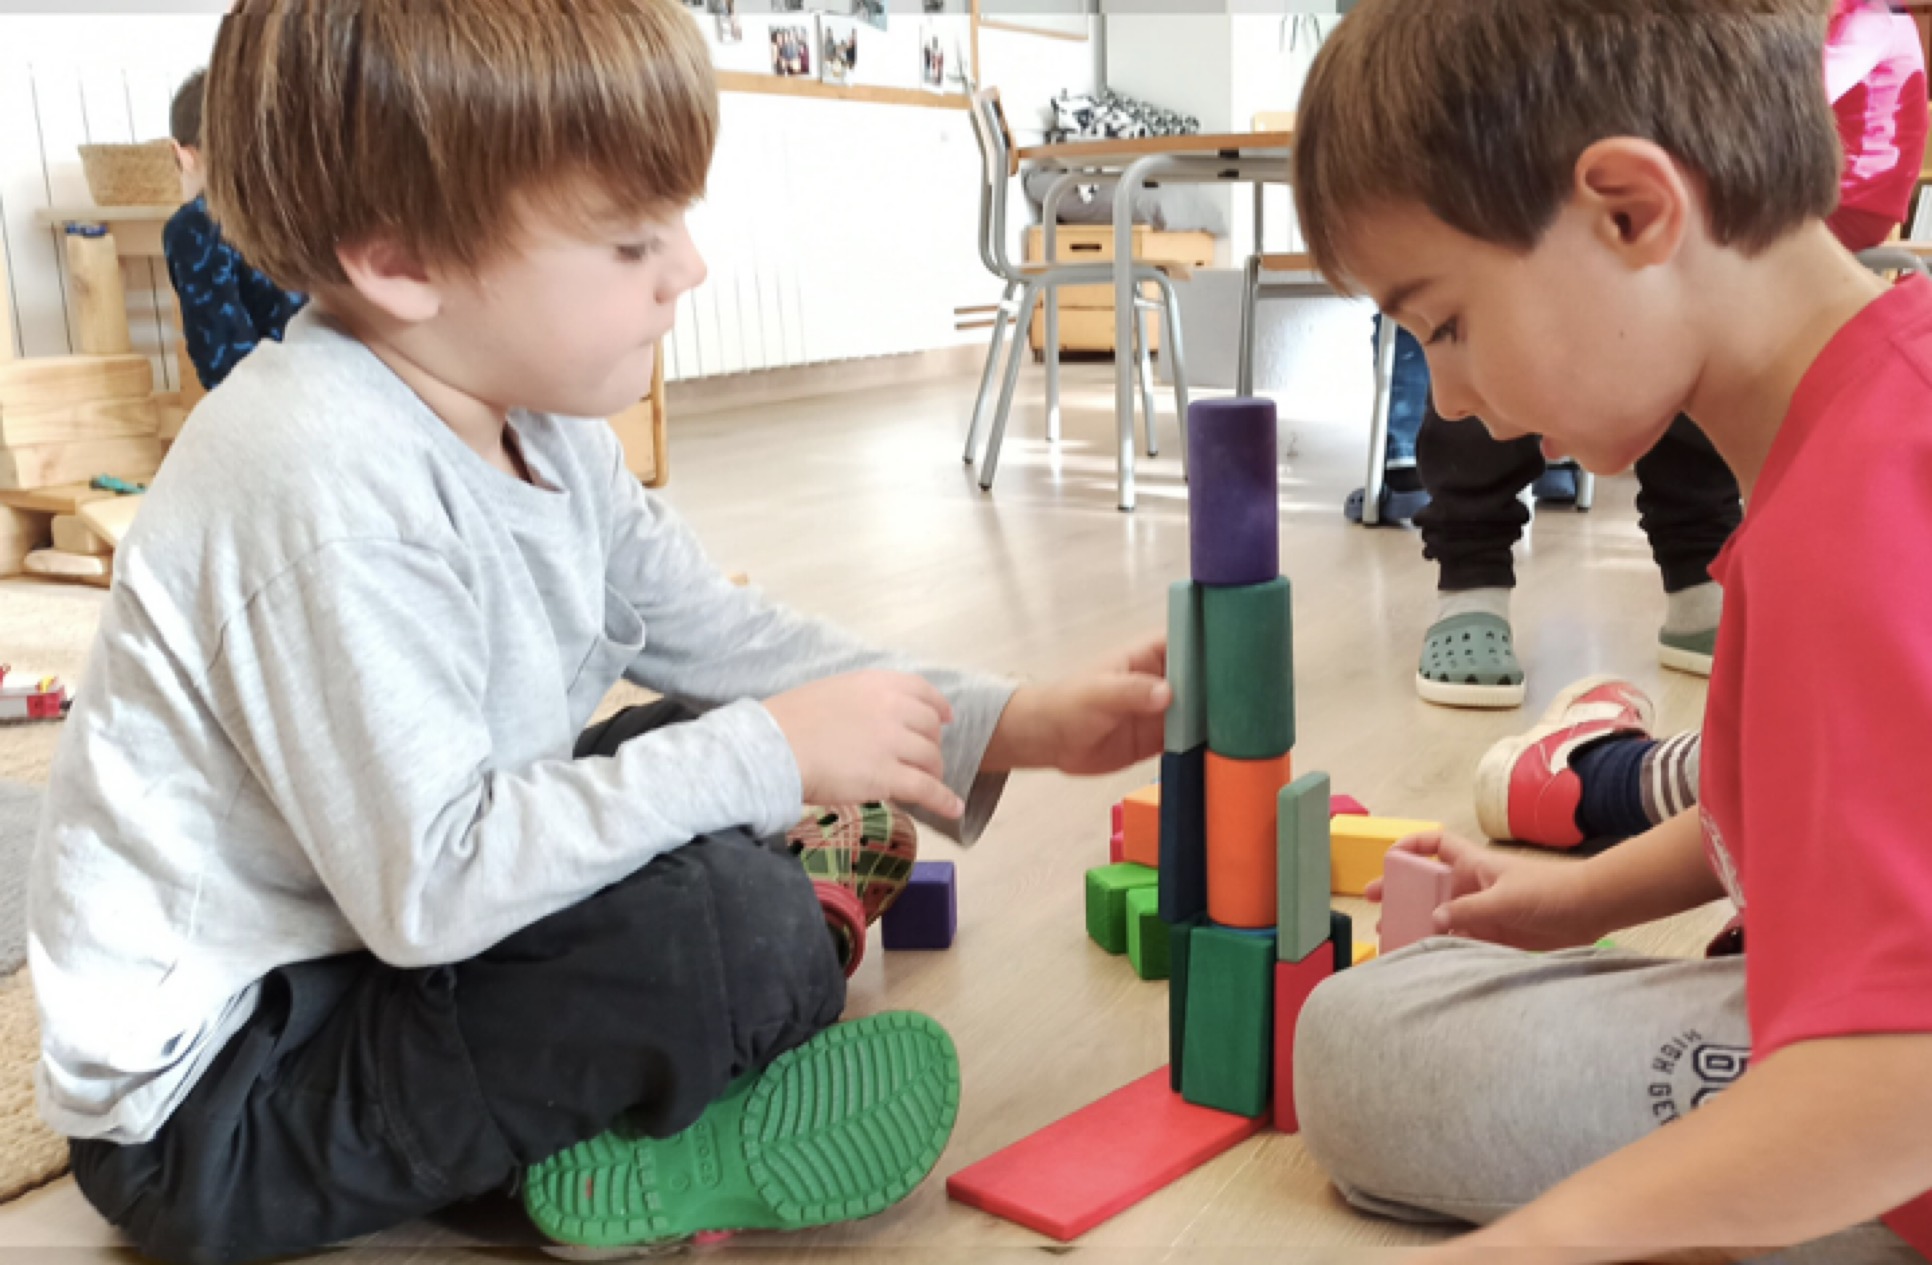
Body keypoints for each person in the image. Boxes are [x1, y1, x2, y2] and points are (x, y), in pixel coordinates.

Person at [30, 4, 1174, 1262]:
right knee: (728, 923)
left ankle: (639, 1054)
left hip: (377, 939)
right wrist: (766, 755)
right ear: (402, 259)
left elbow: (720, 634)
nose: (689, 267)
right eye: (633, 240)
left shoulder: (533, 421)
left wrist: (1009, 719)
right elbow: (435, 885)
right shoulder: (317, 482)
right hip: (224, 1100)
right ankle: (638, 1122)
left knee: (739, 746)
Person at [1288, 0, 1932, 1259]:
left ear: (1631, 213)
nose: (1452, 401)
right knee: (1380, 1017)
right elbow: (1804, 803)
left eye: (1446, 324)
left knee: (1364, 1053)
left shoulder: (1862, 505)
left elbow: (1909, 1069)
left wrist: (1539, 1243)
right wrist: (1578, 897)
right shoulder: (1860, 418)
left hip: (1898, 1097)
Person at [162, 69, 306, 392]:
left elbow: (220, 357)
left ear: (182, 155)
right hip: (338, 386)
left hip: (272, 403)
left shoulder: (196, 225)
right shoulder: (295, 208)